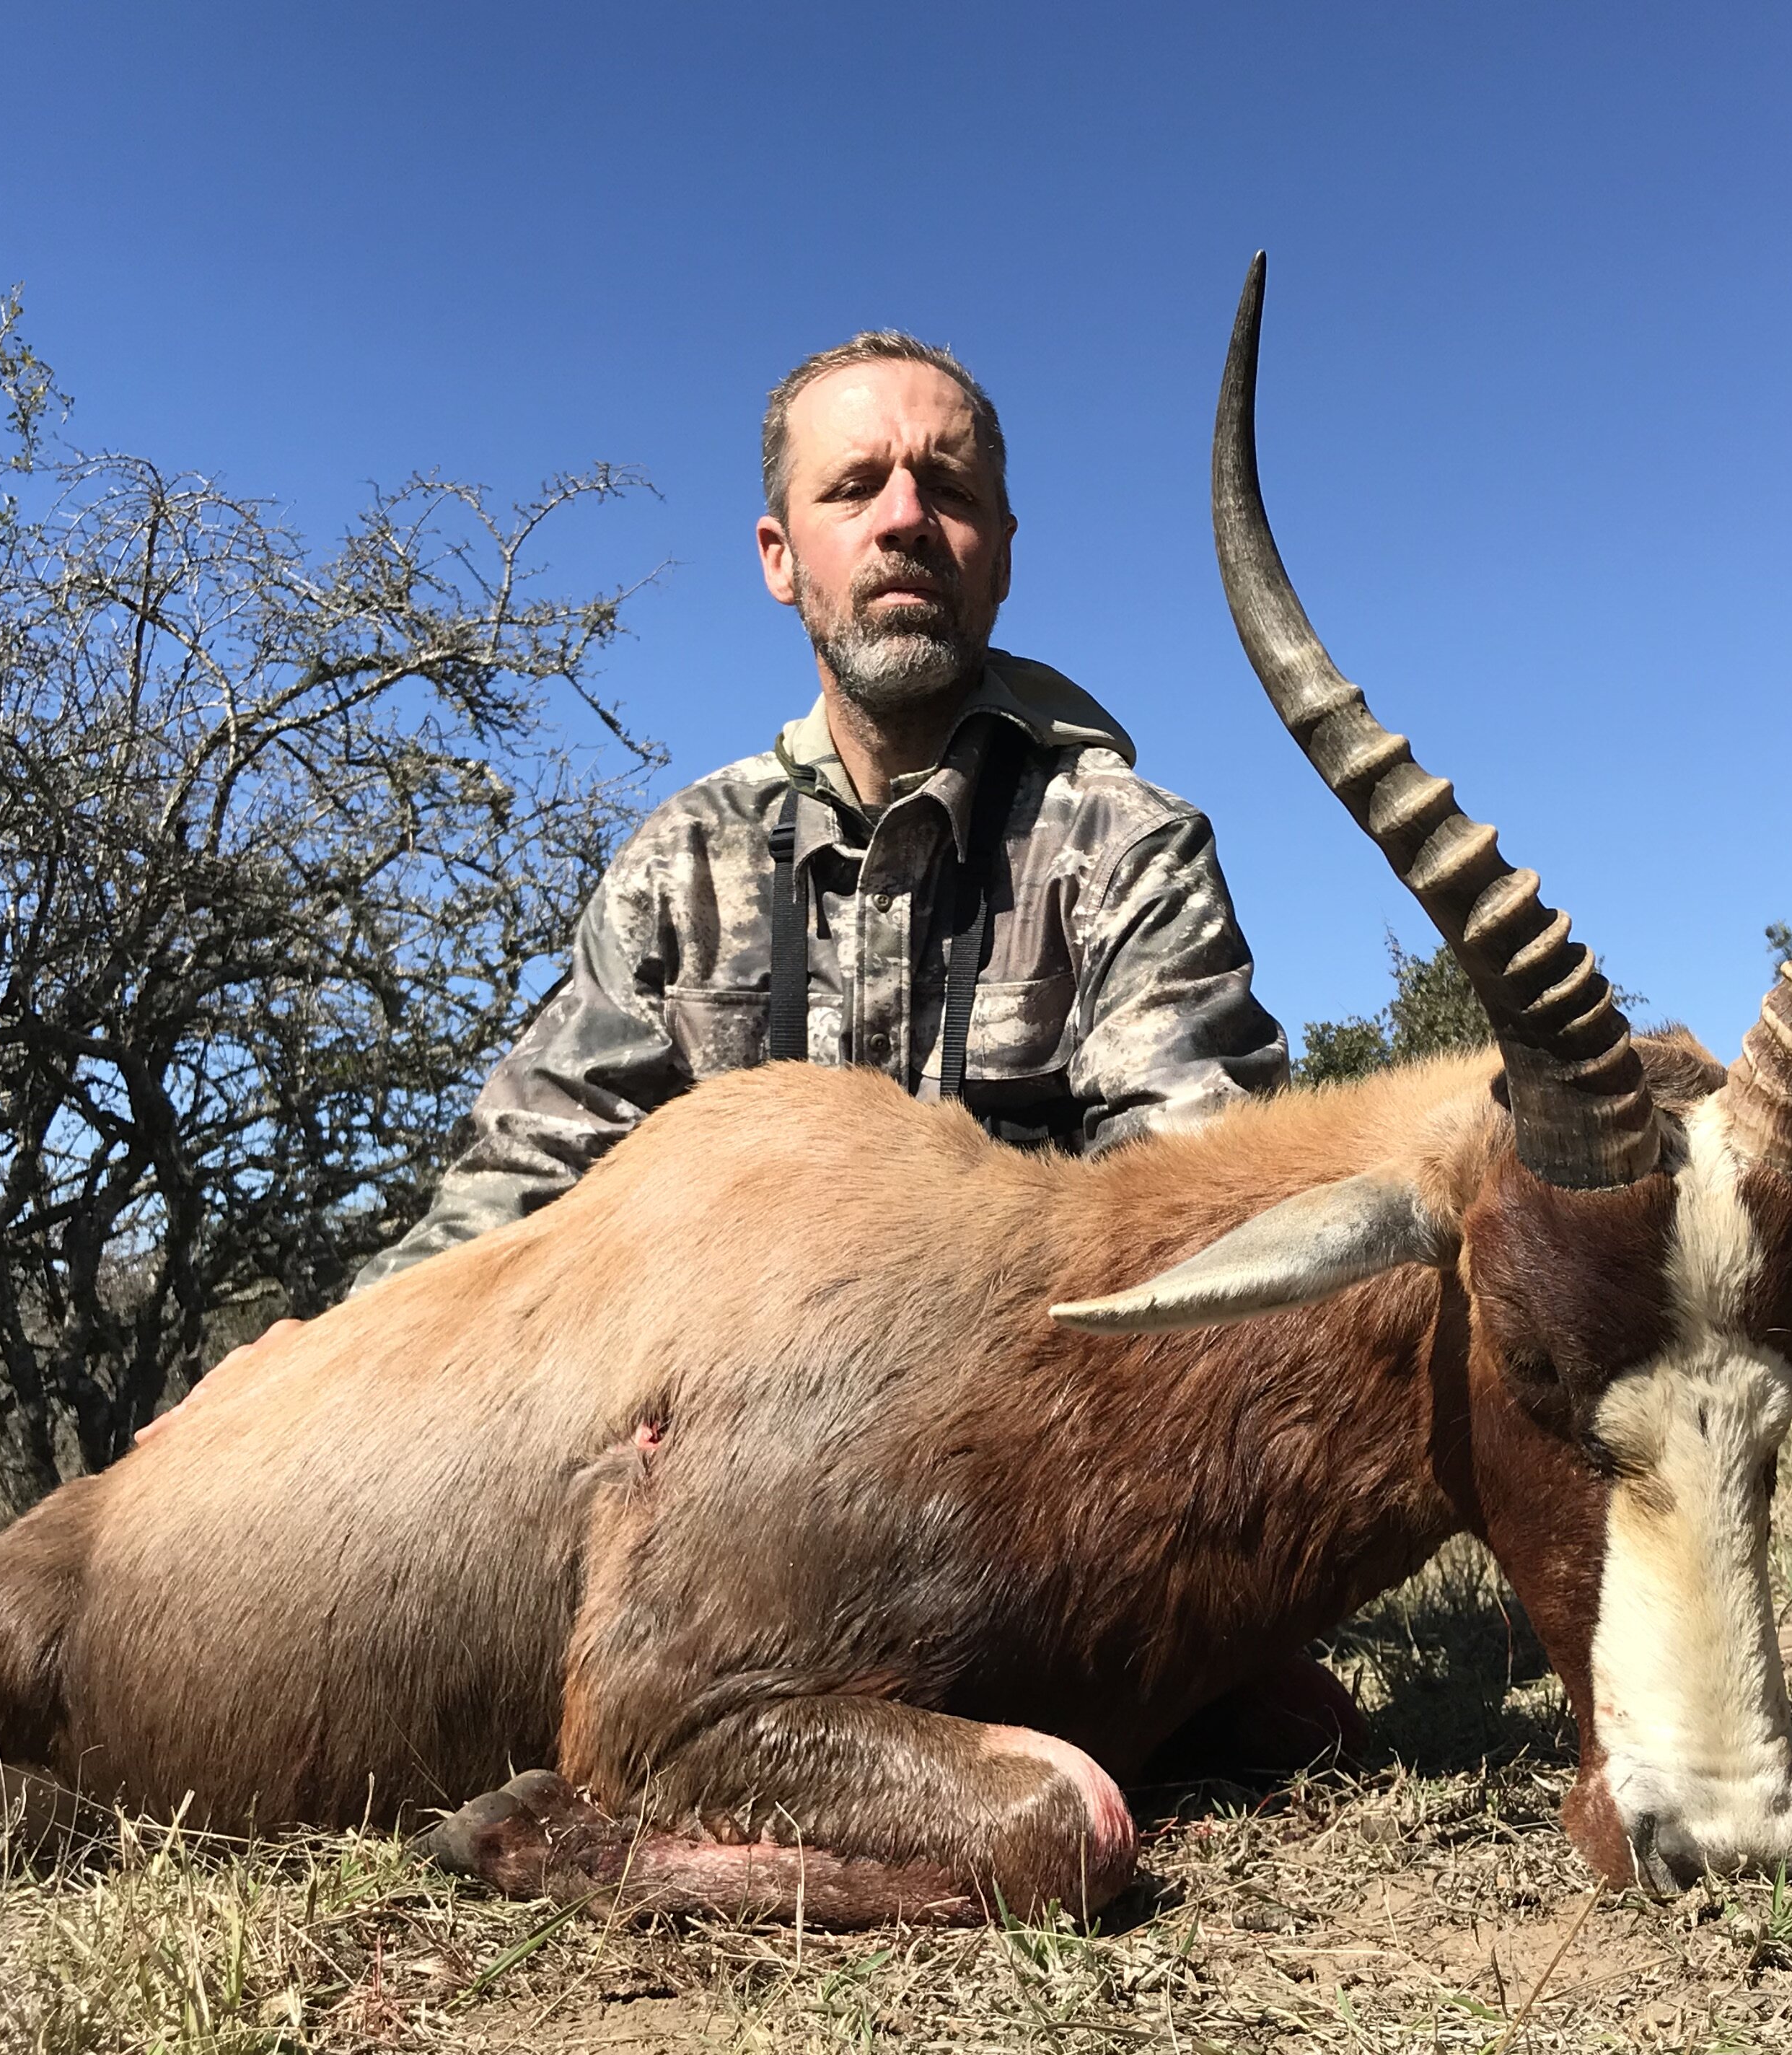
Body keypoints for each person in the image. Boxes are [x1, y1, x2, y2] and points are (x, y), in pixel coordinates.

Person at [150, 329, 1288, 1416]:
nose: (905, 520)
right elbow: (521, 1186)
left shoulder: (1126, 844)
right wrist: (321, 1365)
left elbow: (1191, 1220)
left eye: (948, 489)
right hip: (705, 1464)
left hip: (1023, 1461)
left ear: (1001, 556)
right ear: (780, 559)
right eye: (854, 488)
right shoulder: (682, 863)